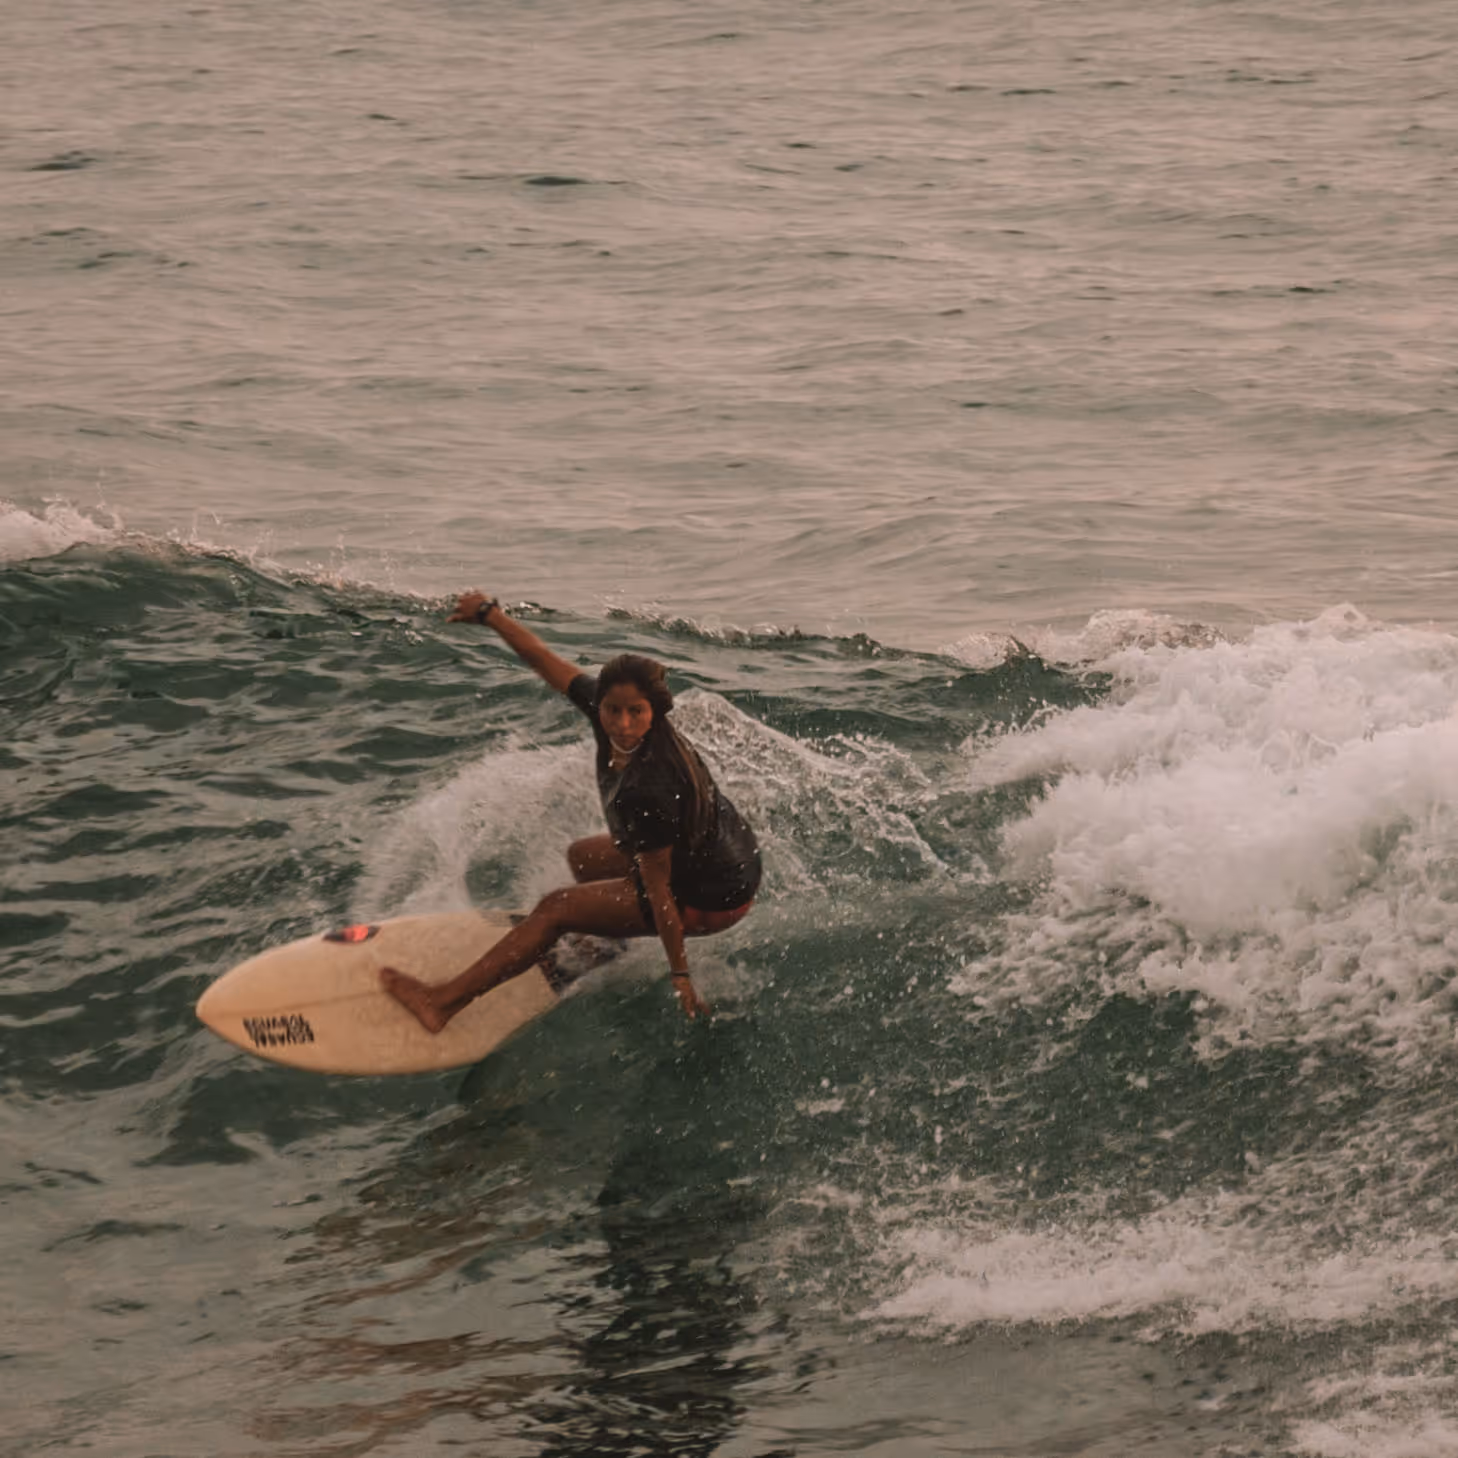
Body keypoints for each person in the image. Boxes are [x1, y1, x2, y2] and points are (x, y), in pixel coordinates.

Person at [381, 590, 761, 1030]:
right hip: (710, 856)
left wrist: (680, 975)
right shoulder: (610, 715)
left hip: (714, 896)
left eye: (635, 713)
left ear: (655, 712)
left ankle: (441, 1004)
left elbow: (660, 893)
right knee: (583, 857)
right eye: (612, 710)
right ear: (599, 702)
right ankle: (598, 948)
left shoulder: (650, 787)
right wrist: (489, 615)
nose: (621, 725)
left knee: (556, 908)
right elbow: (543, 659)